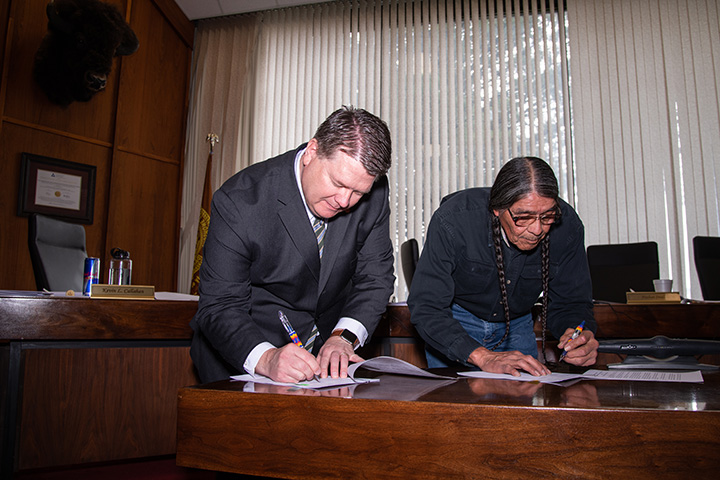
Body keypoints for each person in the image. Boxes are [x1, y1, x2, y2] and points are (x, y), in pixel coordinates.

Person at [191, 106, 395, 384]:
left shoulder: (375, 193)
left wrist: (342, 338)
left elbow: (375, 278)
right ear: (312, 151)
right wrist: (266, 358)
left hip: (324, 368)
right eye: (337, 183)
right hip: (244, 355)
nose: (345, 201)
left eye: (358, 192)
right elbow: (220, 306)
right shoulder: (240, 200)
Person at [407, 157, 598, 376]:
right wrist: (482, 356)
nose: (537, 229)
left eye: (547, 217)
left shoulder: (568, 227)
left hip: (518, 323)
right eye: (523, 217)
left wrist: (578, 337)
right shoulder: (454, 220)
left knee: (522, 405)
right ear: (497, 209)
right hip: (457, 323)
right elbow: (427, 306)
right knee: (455, 404)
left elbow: (572, 302)